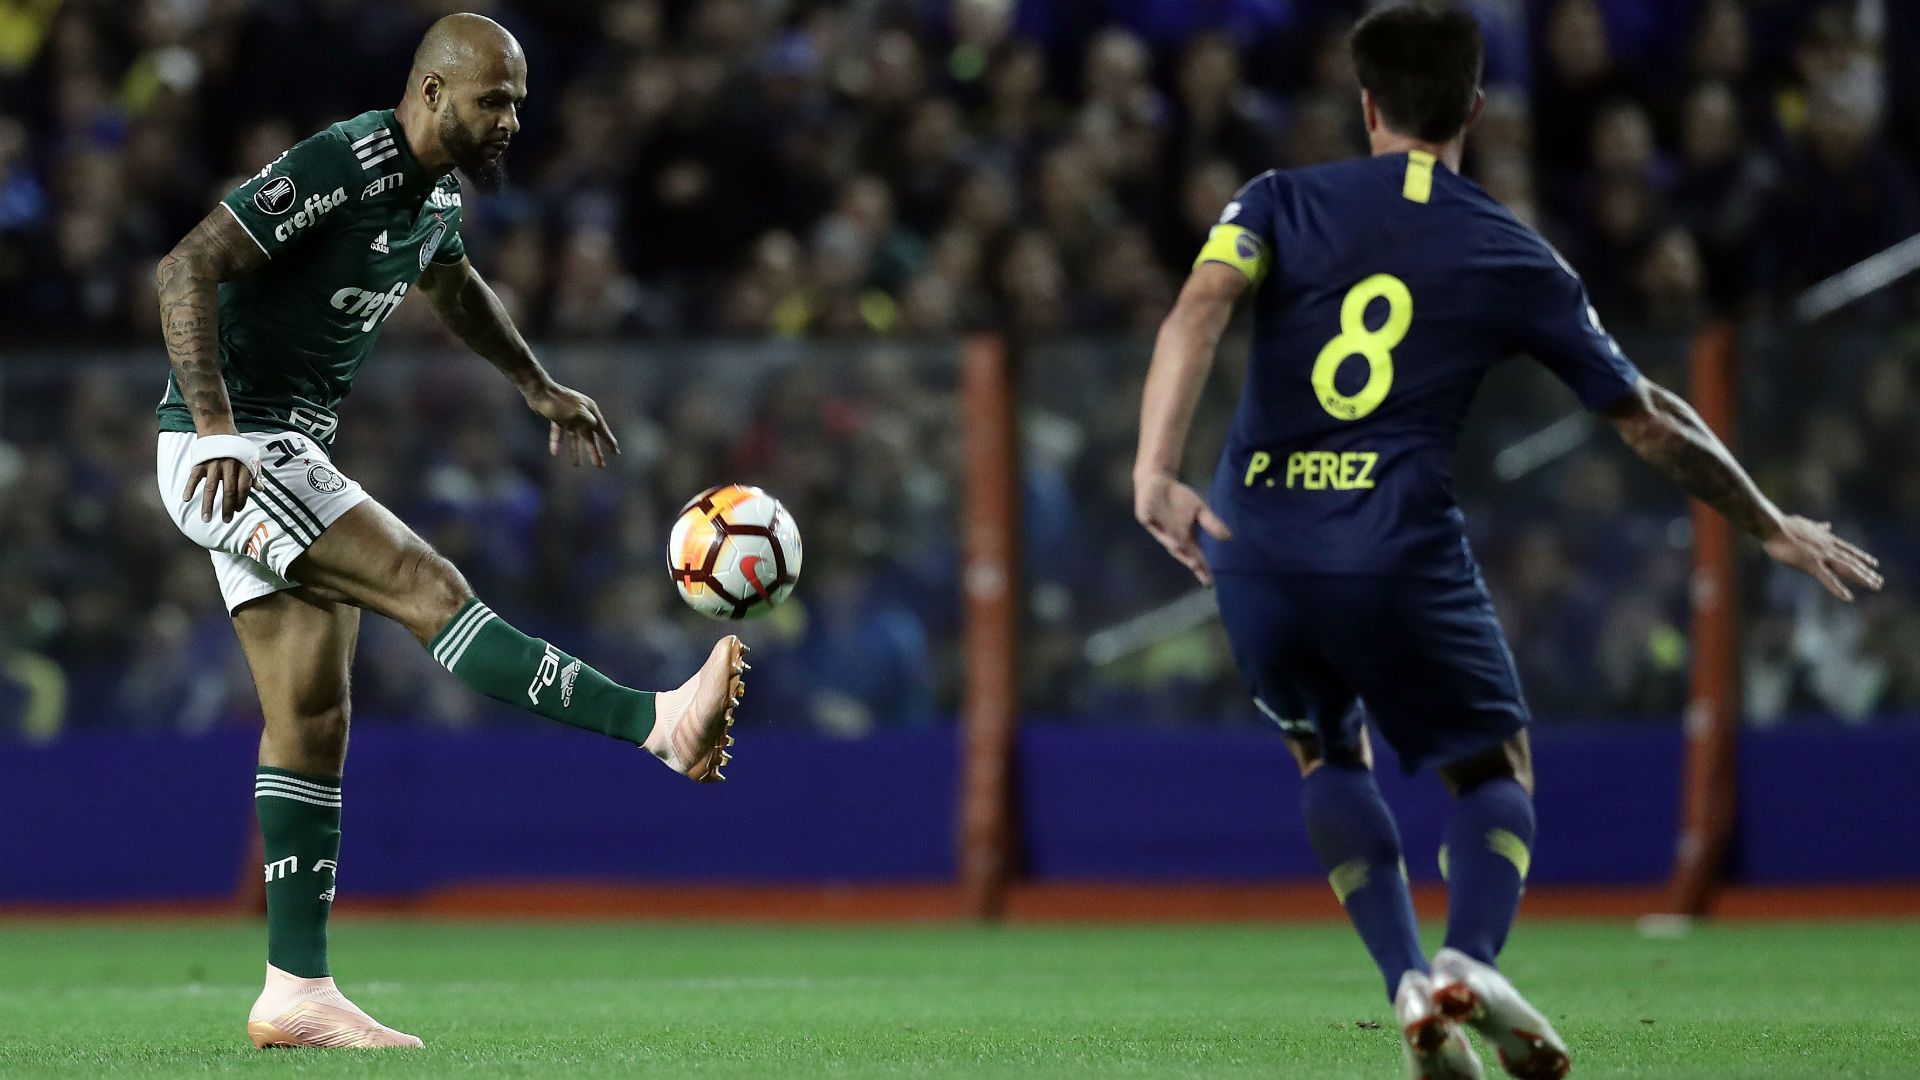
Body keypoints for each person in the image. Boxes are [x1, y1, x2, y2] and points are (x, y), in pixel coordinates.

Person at [1131, 6, 1881, 1078]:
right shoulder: (1509, 246)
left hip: (1257, 545)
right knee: (1495, 771)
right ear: (1477, 109)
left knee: (1324, 752)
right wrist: (1768, 524)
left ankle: (1402, 983)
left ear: (1367, 104)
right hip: (1396, 549)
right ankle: (1466, 960)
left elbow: (1196, 308)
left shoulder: (1276, 198)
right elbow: (1648, 420)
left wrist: (1156, 473)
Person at [152, 14, 746, 1050]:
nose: (511, 119)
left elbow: (453, 283)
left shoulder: (430, 194)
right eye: (493, 100)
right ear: (430, 93)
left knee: (311, 715)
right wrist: (216, 435)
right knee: (430, 588)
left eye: (517, 100)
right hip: (240, 445)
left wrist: (538, 385)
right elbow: (184, 268)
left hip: (282, 445)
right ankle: (655, 724)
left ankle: (296, 989)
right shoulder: (347, 159)